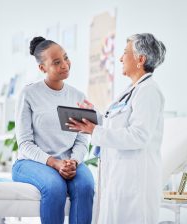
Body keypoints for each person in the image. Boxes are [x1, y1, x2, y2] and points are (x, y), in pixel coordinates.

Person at [66, 33, 166, 224]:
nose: (120, 58)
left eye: (125, 53)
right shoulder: (131, 91)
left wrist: (94, 131)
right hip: (119, 178)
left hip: (134, 183)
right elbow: (115, 124)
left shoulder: (149, 91)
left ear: (140, 59)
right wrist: (93, 115)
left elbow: (139, 136)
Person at [12, 36, 94, 224]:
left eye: (66, 58)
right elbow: (24, 143)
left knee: (86, 185)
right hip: (30, 162)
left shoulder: (78, 96)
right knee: (54, 186)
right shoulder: (29, 94)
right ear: (42, 68)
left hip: (68, 162)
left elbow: (82, 140)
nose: (65, 64)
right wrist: (54, 163)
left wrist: (74, 161)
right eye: (57, 62)